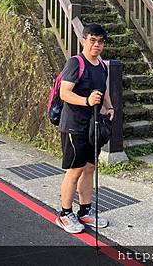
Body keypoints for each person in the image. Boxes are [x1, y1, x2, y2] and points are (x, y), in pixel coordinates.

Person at [55, 23, 115, 233]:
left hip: (93, 126)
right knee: (75, 170)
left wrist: (109, 106)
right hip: (74, 126)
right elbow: (65, 93)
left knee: (90, 168)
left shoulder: (102, 66)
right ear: (84, 41)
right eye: (92, 40)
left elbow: (103, 89)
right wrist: (87, 101)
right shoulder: (75, 63)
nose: (96, 45)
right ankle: (64, 214)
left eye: (100, 42)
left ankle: (85, 211)